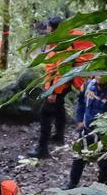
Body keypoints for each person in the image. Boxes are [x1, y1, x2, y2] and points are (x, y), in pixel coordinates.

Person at [30, 16, 95, 159]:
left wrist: (52, 91)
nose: (47, 31)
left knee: (46, 114)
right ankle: (59, 137)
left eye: (49, 29)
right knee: (59, 108)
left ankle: (42, 149)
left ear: (55, 29)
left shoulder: (63, 45)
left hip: (60, 83)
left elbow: (59, 70)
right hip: (69, 81)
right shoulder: (66, 39)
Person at [66, 78, 107, 189]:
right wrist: (79, 120)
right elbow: (81, 102)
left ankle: (102, 186)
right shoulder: (88, 84)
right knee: (79, 156)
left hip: (104, 133)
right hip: (87, 128)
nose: (100, 75)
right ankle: (72, 183)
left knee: (104, 161)